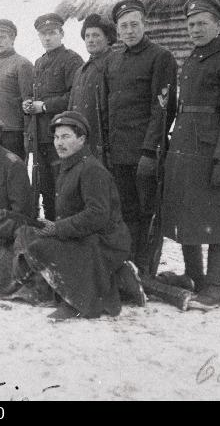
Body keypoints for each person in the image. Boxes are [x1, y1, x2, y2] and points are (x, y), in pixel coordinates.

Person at [160, 0, 220, 311]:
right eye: (191, 24)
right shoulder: (192, 60)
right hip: (185, 150)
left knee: (219, 218)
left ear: (218, 25)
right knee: (189, 213)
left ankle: (214, 285)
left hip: (214, 154)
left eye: (202, 23)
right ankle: (194, 276)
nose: (196, 29)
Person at [26, 111, 142, 320]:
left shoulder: (91, 169)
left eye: (66, 137)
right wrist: (52, 226)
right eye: (56, 137)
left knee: (59, 249)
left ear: (81, 139)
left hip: (107, 240)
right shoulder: (69, 166)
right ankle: (116, 279)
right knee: (35, 243)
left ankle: (77, 302)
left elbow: (98, 215)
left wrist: (58, 229)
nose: (59, 143)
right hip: (84, 234)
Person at [104, 0, 178, 274]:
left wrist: (151, 151)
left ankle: (147, 270)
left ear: (144, 25)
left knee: (148, 213)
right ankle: (130, 266)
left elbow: (163, 109)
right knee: (125, 212)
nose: (130, 31)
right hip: (119, 152)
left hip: (146, 154)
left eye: (135, 25)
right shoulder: (114, 60)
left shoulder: (160, 57)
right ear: (118, 30)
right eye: (124, 26)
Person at [23, 13, 84, 220]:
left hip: (62, 137)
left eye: (51, 33)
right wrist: (29, 104)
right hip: (41, 138)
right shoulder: (39, 62)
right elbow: (37, 95)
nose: (47, 38)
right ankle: (50, 230)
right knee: (45, 189)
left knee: (64, 189)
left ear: (61, 34)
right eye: (43, 34)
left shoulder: (72, 60)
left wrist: (45, 106)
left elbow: (74, 96)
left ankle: (66, 233)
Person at [68, 14, 117, 160]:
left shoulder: (114, 64)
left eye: (96, 35)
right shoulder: (81, 70)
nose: (90, 40)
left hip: (103, 144)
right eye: (87, 36)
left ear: (108, 38)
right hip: (82, 141)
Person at [0, 19, 33, 160]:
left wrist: (27, 134)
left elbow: (28, 100)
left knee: (14, 173)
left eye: (3, 37)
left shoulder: (22, 64)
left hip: (14, 132)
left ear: (12, 39)